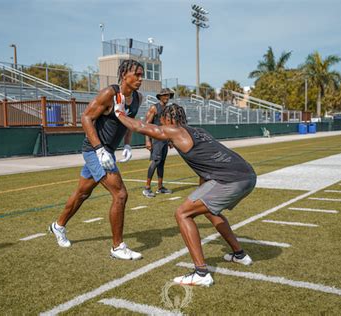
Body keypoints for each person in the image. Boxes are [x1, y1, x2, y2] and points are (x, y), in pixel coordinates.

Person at [114, 101, 257, 286]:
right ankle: (239, 255)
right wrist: (201, 193)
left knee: (183, 213)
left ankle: (201, 273)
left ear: (166, 119)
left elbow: (140, 126)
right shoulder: (199, 131)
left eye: (162, 121)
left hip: (231, 179)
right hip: (248, 175)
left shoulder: (172, 130)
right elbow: (207, 166)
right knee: (209, 211)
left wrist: (119, 113)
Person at [49, 59, 144, 260]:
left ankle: (58, 226)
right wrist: (99, 149)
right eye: (137, 74)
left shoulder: (138, 98)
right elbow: (86, 118)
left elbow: (129, 123)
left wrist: (127, 144)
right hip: (95, 150)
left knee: (82, 193)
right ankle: (117, 247)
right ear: (124, 74)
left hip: (108, 150)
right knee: (120, 194)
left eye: (142, 75)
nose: (140, 79)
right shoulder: (110, 93)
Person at [142, 88, 175, 198]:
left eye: (168, 95)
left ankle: (160, 187)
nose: (167, 97)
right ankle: (146, 188)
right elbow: (147, 125)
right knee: (155, 162)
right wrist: (147, 141)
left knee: (161, 163)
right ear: (160, 97)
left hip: (165, 140)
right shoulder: (154, 108)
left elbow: (168, 126)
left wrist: (170, 140)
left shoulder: (169, 109)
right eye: (165, 95)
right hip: (156, 140)